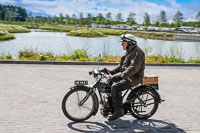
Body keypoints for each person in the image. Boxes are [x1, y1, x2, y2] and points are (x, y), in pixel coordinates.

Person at [105, 34, 145, 121]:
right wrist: (110, 72)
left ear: (130, 43)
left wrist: (121, 75)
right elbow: (121, 67)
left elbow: (133, 68)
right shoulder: (129, 52)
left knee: (115, 87)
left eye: (123, 42)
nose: (122, 44)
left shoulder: (138, 52)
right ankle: (111, 104)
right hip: (127, 75)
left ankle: (118, 111)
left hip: (134, 78)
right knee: (109, 82)